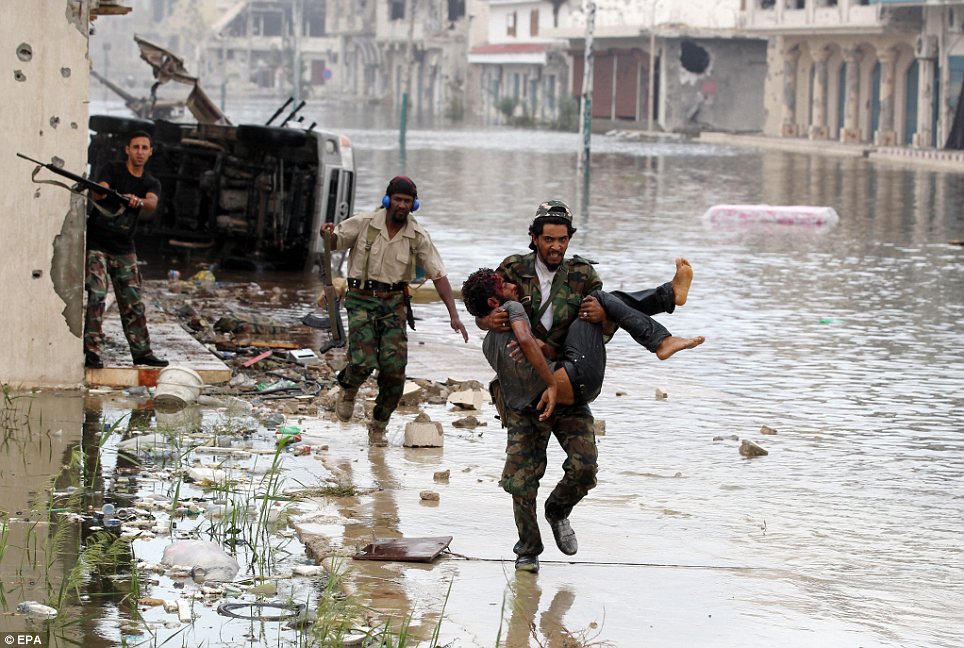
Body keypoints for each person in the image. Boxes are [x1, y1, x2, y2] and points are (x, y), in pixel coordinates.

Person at [475, 199, 697, 573]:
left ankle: (557, 511)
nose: (556, 247)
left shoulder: (582, 274)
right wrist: (488, 321)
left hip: (567, 377)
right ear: (533, 238)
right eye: (548, 239)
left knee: (585, 468)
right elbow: (482, 312)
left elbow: (601, 333)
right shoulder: (511, 269)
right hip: (525, 388)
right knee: (522, 478)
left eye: (562, 239)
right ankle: (527, 551)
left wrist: (602, 319)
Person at [321, 176, 469, 446]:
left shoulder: (418, 236)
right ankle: (348, 387)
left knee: (395, 371)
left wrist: (454, 315)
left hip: (393, 305)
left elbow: (439, 275)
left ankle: (378, 425)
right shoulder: (364, 224)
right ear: (388, 200)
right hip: (361, 299)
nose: (402, 205)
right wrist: (327, 234)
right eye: (398, 199)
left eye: (407, 201)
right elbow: (332, 243)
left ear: (414, 205)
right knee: (363, 361)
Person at [461, 267, 703, 413]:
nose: (512, 285)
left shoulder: (488, 344)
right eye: (504, 285)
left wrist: (541, 347)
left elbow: (532, 356)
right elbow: (525, 341)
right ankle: (661, 338)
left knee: (602, 302)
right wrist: (552, 383)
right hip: (574, 379)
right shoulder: (512, 305)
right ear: (493, 302)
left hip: (557, 392)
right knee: (597, 298)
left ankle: (668, 297)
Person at [84, 130, 168, 369]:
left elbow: (152, 203)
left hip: (124, 248)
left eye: (144, 148)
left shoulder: (151, 182)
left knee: (133, 302)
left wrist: (137, 201)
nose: (140, 152)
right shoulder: (112, 169)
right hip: (98, 244)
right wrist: (108, 193)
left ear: (150, 152)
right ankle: (91, 352)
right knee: (97, 295)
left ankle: (142, 352)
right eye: (136, 147)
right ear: (127, 150)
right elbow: (99, 191)